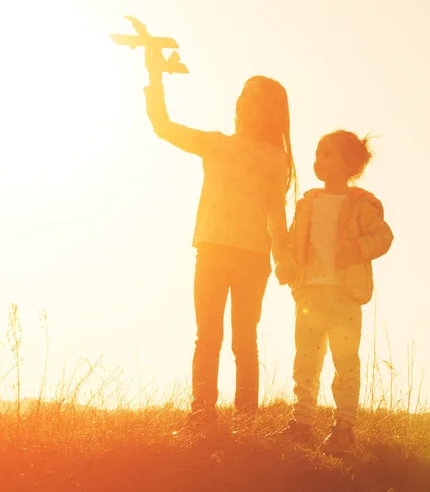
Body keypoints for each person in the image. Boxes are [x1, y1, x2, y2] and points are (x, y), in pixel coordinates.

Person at [142, 47, 297, 434]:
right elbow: (162, 126)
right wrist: (155, 76)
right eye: (244, 93)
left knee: (244, 342)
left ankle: (246, 420)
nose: (245, 101)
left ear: (270, 111)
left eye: (256, 97)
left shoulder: (273, 158)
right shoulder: (215, 143)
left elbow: (276, 215)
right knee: (207, 336)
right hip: (211, 250)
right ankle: (202, 413)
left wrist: (285, 258)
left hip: (253, 257)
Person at [275, 130, 394, 453]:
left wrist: (356, 248)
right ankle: (301, 423)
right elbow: (290, 240)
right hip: (309, 293)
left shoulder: (362, 204)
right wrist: (286, 264)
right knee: (306, 361)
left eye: (327, 154)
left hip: (345, 295)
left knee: (345, 362)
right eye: (317, 153)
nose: (318, 159)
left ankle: (344, 427)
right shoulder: (308, 203)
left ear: (349, 165)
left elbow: (383, 236)